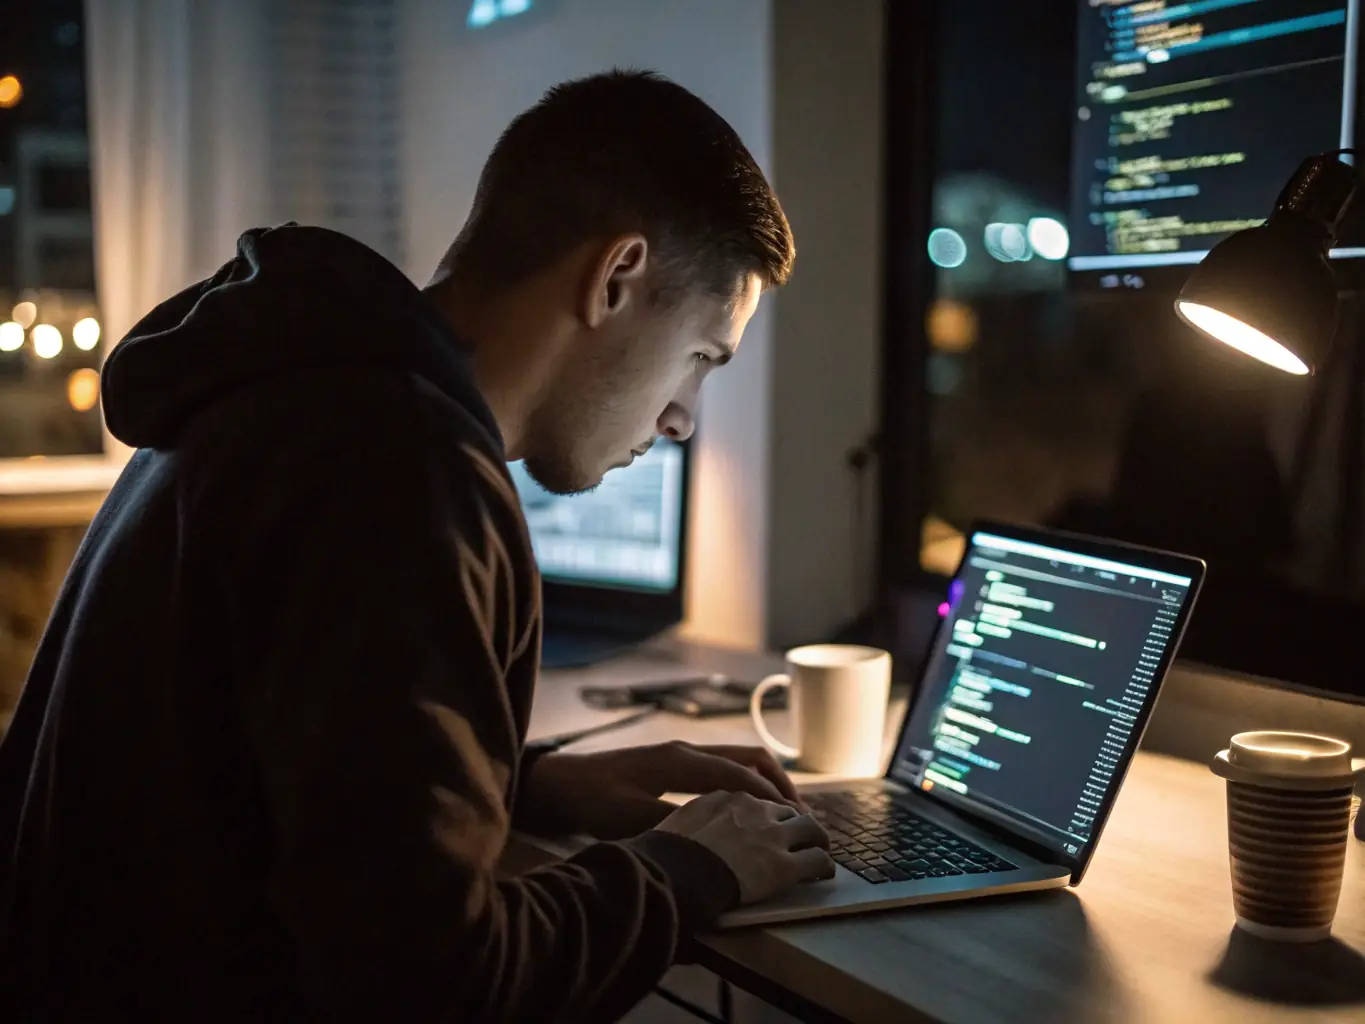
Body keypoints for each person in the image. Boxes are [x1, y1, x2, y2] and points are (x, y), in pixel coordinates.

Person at [0, 71, 836, 1021]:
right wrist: (687, 869)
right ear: (615, 278)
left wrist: (529, 785)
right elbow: (435, 986)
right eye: (700, 355)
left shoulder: (288, 387)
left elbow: (266, 777)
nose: (685, 416)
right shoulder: (398, 470)